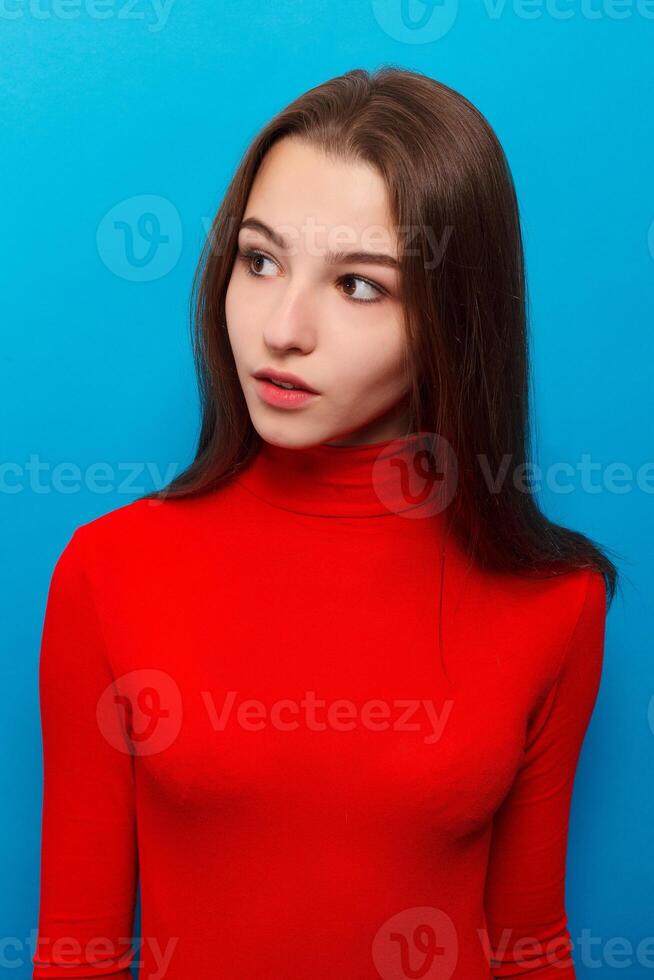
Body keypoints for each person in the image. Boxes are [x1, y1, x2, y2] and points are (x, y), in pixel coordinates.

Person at [33, 67, 616, 979]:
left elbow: (530, 943)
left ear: (453, 314)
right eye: (259, 261)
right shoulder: (108, 570)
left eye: (358, 284)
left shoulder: (560, 603)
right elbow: (79, 951)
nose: (282, 328)